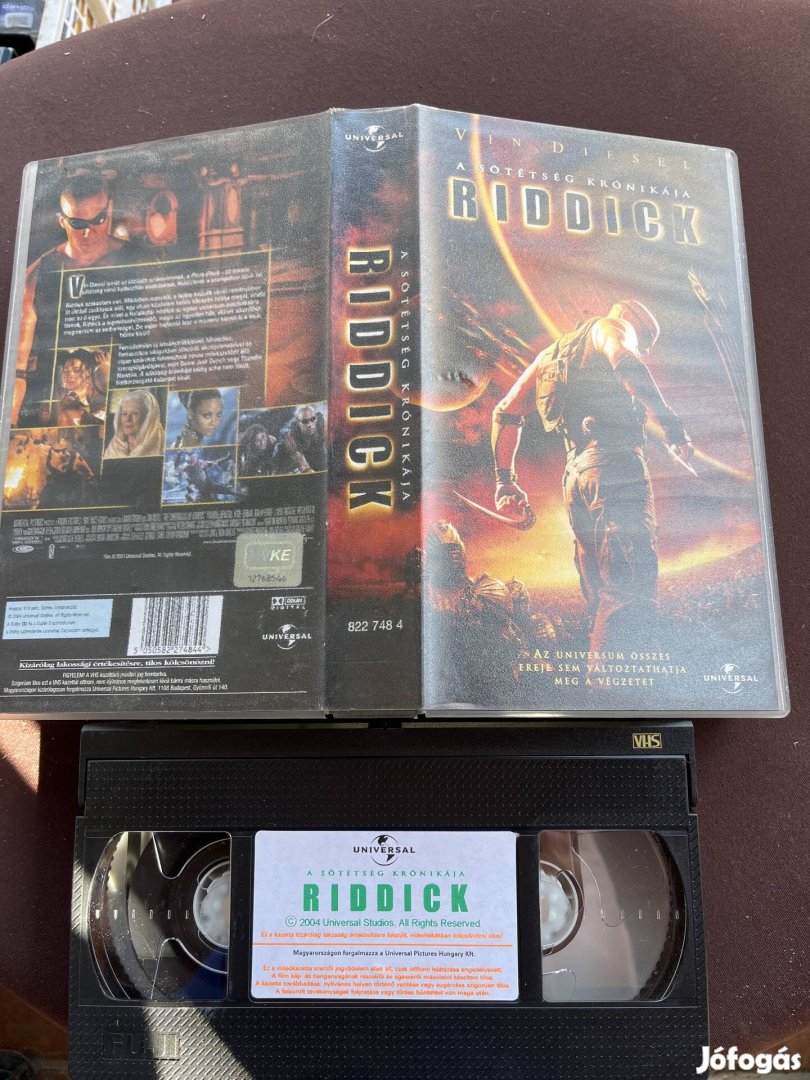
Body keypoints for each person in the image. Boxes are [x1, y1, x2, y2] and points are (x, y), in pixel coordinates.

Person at [491, 300, 692, 653]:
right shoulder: (611, 327)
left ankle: (602, 675)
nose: (641, 347)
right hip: (615, 469)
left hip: (576, 476)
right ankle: (620, 680)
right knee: (629, 585)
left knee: (600, 589)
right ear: (630, 320)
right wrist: (674, 427)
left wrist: (504, 481)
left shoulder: (550, 356)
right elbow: (627, 363)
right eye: (643, 340)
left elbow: (506, 413)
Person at [13, 173, 127, 425]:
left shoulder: (137, 260)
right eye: (77, 223)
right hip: (56, 399)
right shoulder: (39, 273)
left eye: (98, 219)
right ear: (62, 221)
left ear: (110, 210)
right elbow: (19, 360)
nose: (89, 232)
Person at [104, 389, 165, 459]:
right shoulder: (113, 447)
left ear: (148, 417)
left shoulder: (163, 446)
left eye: (135, 413)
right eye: (124, 414)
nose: (128, 419)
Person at [38, 436, 96, 509]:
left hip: (73, 484)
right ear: (52, 450)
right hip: (57, 482)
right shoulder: (45, 455)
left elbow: (89, 473)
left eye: (63, 451)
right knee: (44, 498)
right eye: (57, 451)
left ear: (67, 450)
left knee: (69, 502)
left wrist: (92, 487)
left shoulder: (75, 457)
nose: (61, 454)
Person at [54, 349, 106, 426]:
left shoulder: (97, 400)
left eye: (76, 370)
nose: (69, 375)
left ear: (88, 372)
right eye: (66, 370)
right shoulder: (58, 396)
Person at [271, 404, 326, 474]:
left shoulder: (322, 423)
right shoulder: (292, 437)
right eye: (305, 421)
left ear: (316, 418)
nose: (309, 424)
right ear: (299, 423)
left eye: (312, 419)